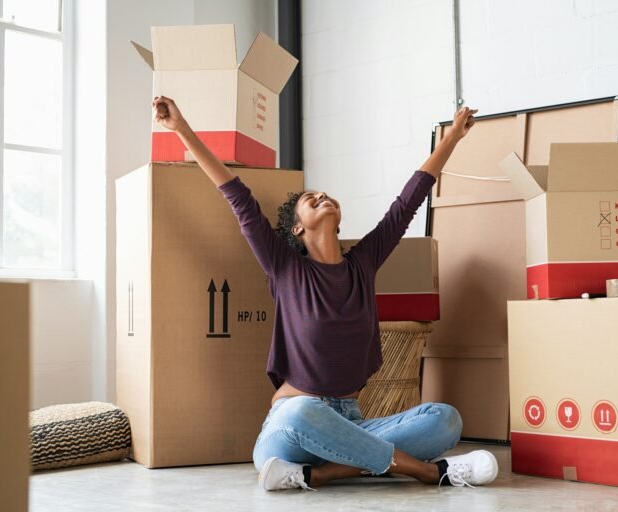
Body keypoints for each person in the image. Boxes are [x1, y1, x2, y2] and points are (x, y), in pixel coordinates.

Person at [152, 96, 497, 491]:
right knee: (301, 412)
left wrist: (452, 137)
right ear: (297, 229)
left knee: (445, 419)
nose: (321, 197)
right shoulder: (286, 269)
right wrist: (181, 129)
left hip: (351, 422)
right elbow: (237, 197)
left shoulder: (362, 264)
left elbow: (408, 202)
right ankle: (428, 472)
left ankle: (325, 473)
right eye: (309, 200)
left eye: (324, 195)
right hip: (290, 431)